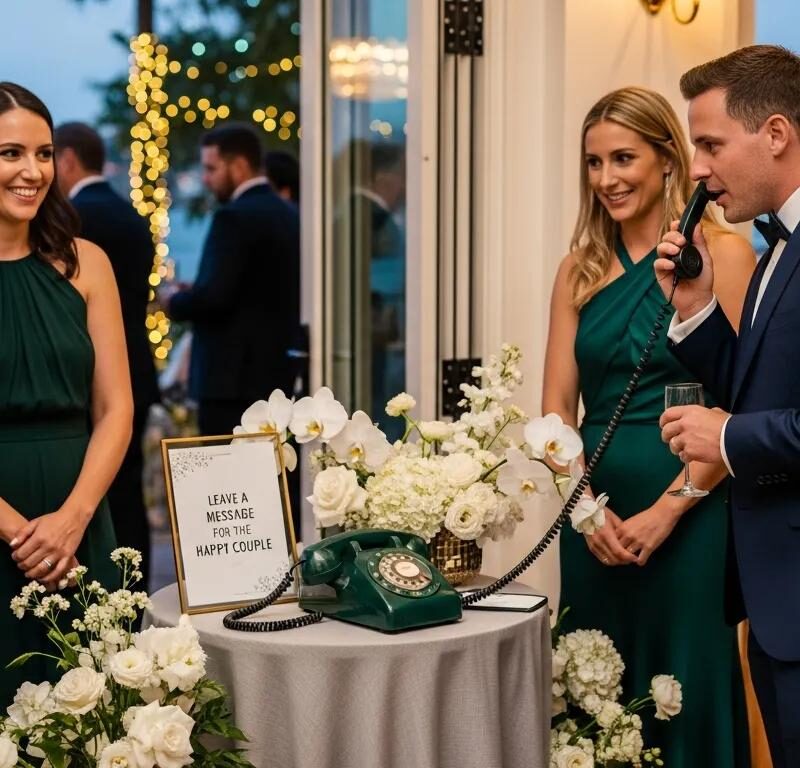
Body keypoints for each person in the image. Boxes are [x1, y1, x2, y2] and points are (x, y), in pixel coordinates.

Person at [543, 86, 755, 766]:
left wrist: (669, 510)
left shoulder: (727, 252)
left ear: (669, 159)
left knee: (686, 688)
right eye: (594, 163)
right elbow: (555, 413)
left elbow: (739, 409)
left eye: (624, 158)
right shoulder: (578, 270)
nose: (606, 178)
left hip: (691, 520)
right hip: (595, 528)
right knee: (594, 695)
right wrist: (581, 510)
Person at [657, 45, 800, 768]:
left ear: (775, 133)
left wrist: (731, 437)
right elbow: (762, 385)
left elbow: (746, 420)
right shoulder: (776, 245)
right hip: (775, 602)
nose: (698, 171)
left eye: (711, 144)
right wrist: (696, 308)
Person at [0, 83, 132, 703]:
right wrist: (26, 537)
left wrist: (72, 521)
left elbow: (116, 409)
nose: (33, 172)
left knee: (90, 710)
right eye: (10, 154)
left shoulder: (87, 263)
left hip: (80, 518)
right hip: (14, 529)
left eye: (45, 153)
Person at [53, 121, 159, 589]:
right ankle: (132, 581)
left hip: (86, 369)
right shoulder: (131, 213)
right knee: (128, 487)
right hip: (137, 361)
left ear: (69, 159)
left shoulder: (74, 221)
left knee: (96, 486)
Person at [166, 124, 300, 437]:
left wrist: (174, 301)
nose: (205, 178)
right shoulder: (290, 214)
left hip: (229, 382)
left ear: (238, 166)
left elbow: (214, 299)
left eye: (211, 168)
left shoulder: (233, 218)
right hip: (278, 375)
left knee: (226, 480)